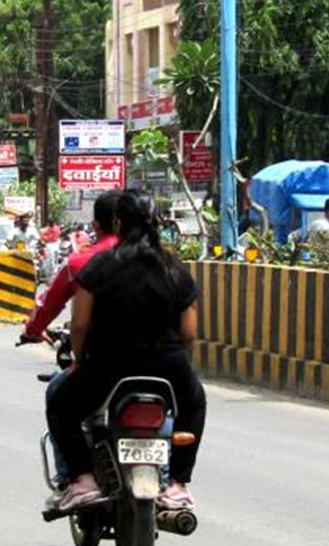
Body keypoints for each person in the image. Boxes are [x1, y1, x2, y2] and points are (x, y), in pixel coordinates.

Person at [46, 189, 206, 513]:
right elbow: (189, 333)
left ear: (117, 223)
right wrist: (175, 358)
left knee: (61, 404)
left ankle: (81, 479)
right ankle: (177, 483)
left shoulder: (99, 267)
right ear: (157, 222)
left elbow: (79, 326)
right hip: (167, 367)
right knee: (195, 403)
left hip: (108, 366)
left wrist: (80, 360)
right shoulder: (175, 269)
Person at [21, 192, 123, 495]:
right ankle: (172, 479)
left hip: (101, 363)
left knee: (58, 397)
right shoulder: (160, 262)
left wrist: (32, 329)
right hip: (156, 362)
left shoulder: (83, 263)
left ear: (98, 224)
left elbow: (55, 309)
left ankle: (75, 477)